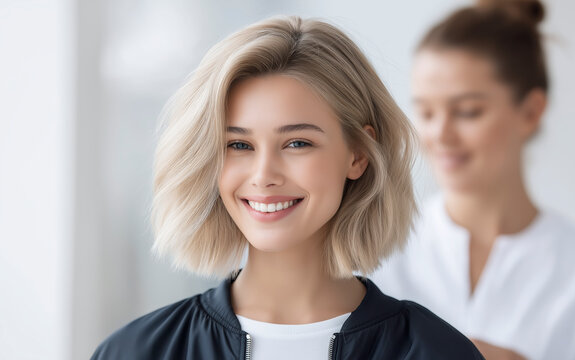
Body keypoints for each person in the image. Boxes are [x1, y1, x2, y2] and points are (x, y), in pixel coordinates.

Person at [90, 16, 484, 360]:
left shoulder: (435, 352)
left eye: (297, 143)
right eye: (239, 145)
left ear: (358, 154)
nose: (264, 175)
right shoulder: (136, 352)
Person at [372, 1, 575, 359]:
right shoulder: (378, 253)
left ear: (531, 112)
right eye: (426, 111)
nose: (440, 133)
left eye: (467, 112)